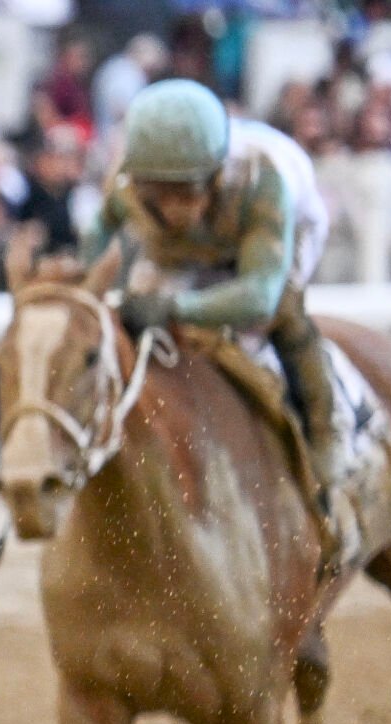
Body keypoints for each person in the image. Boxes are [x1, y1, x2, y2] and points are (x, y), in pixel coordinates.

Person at [82, 78, 343, 540]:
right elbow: (96, 235)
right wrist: (89, 292)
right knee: (138, 323)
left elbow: (257, 294)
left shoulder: (265, 179)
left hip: (273, 237)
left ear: (217, 175)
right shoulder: (126, 182)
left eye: (185, 191)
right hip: (186, 250)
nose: (173, 208)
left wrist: (173, 307)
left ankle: (325, 437)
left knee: (280, 315)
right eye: (158, 192)